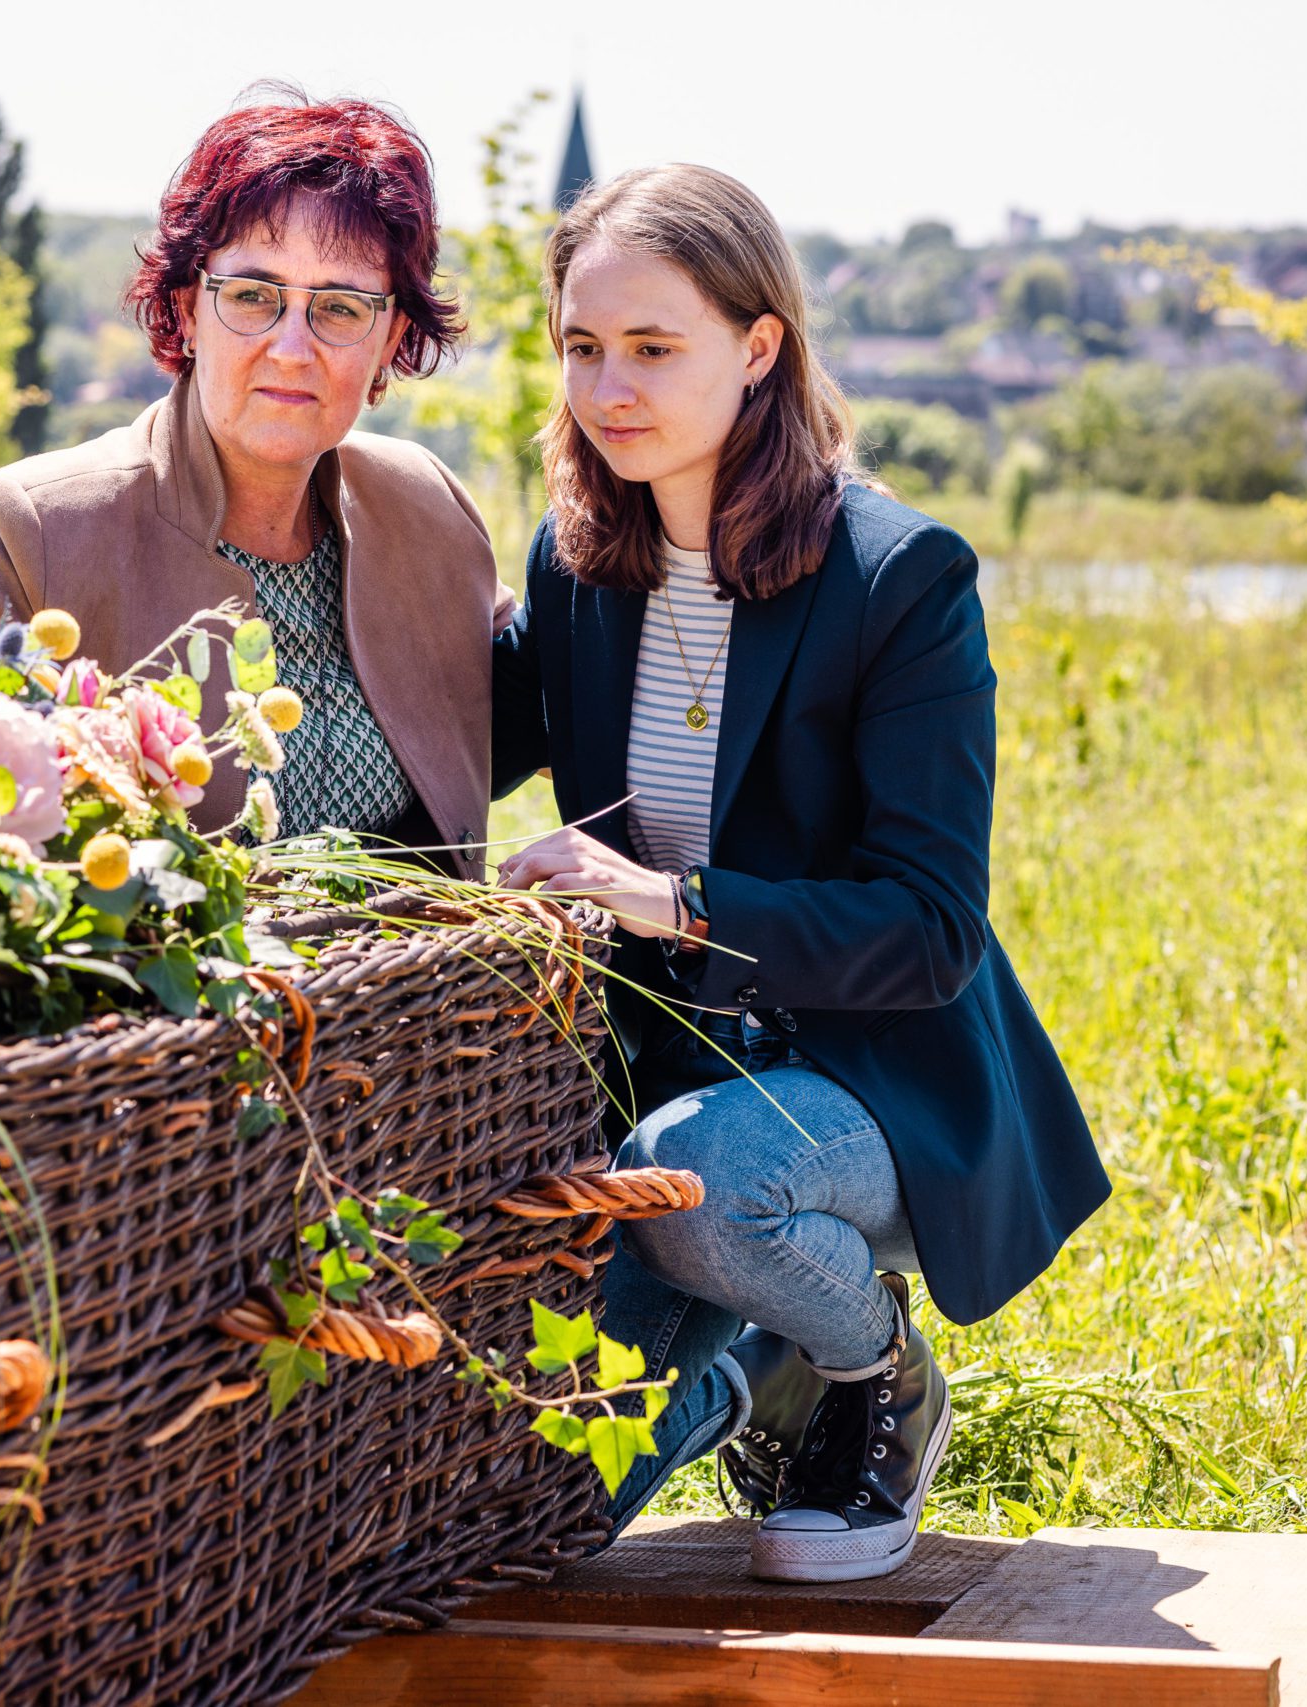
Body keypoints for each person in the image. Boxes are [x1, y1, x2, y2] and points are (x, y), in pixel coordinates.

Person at [490, 164, 1109, 1583]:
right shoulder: (581, 564)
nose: (608, 387)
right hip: (668, 1075)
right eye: (582, 347)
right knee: (544, 1512)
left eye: (654, 347)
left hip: (873, 1084)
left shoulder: (899, 579)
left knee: (698, 1179)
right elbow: (441, 728)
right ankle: (764, 1374)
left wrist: (675, 901)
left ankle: (873, 1368)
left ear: (759, 347)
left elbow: (933, 926)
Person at [0, 89, 507, 866]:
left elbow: (567, 690)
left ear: (391, 337)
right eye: (253, 296)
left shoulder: (426, 509)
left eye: (339, 308)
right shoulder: (30, 533)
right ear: (189, 310)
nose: (292, 347)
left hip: (416, 990)